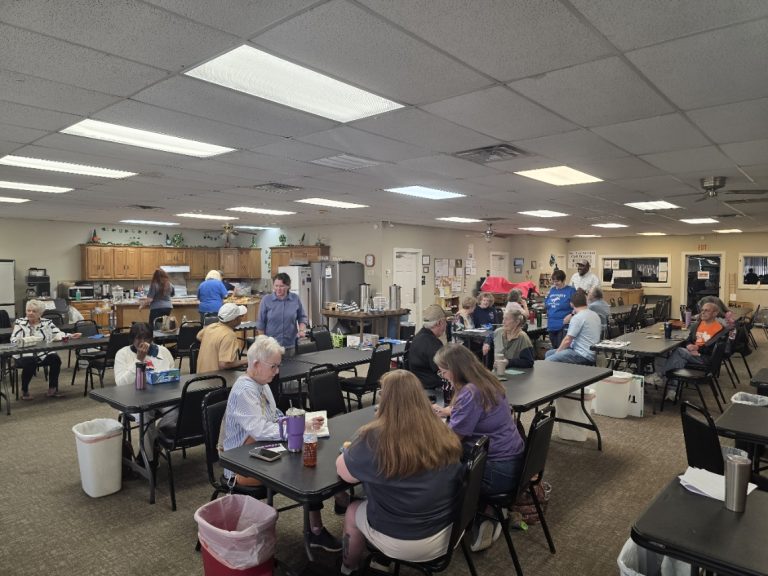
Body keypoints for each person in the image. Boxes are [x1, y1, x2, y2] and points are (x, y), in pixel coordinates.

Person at [336, 370, 464, 574]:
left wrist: (349, 450)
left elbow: (345, 474)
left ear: (384, 400)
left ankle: (348, 568)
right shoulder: (441, 430)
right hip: (448, 532)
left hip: (404, 541)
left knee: (352, 510)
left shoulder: (375, 437)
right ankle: (379, 559)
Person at [223, 335, 341, 552]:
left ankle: (317, 527)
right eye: (273, 366)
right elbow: (260, 429)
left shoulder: (261, 384)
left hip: (259, 449)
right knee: (304, 470)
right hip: (240, 464)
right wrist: (297, 428)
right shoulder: (244, 390)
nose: (277, 371)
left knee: (307, 462)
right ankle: (316, 529)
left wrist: (301, 420)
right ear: (256, 364)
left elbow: (274, 416)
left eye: (278, 366)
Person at [432, 344, 525, 552]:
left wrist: (425, 432)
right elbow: (478, 412)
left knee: (436, 469)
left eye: (443, 371)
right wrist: (449, 411)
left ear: (455, 370)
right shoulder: (486, 381)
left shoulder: (470, 393)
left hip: (496, 472)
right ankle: (489, 511)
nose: (442, 376)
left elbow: (452, 439)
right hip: (513, 461)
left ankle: (447, 525)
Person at [11, 299, 82, 399]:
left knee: (55, 359)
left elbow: (57, 333)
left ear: (40, 313)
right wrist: (25, 341)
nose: (30, 313)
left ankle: (52, 389)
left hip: (42, 353)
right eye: (28, 310)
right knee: (30, 361)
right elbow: (13, 339)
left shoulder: (47, 323)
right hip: (24, 354)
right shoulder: (20, 323)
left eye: (34, 311)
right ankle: (25, 390)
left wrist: (70, 335)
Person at [648, 301, 725, 384]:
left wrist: (698, 350)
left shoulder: (719, 329)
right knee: (679, 358)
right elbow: (688, 339)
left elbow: (715, 348)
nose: (703, 312)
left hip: (704, 357)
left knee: (679, 351)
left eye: (707, 310)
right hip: (692, 353)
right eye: (702, 310)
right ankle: (672, 387)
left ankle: (659, 375)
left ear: (715, 313)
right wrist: (689, 345)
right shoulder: (697, 325)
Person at [256, 272, 308, 352]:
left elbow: (302, 317)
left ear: (288, 286)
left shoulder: (295, 298)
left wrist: (301, 330)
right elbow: (261, 323)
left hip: (290, 344)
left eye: (282, 286)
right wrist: (263, 343)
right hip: (271, 346)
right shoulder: (266, 300)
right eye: (276, 286)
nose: (278, 289)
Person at [545, 291, 601, 365]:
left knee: (548, 360)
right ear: (586, 302)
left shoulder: (578, 317)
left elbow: (567, 340)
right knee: (549, 353)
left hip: (582, 355)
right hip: (591, 353)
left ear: (571, 304)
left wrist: (557, 353)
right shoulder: (594, 314)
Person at [114, 322, 175, 387]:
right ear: (133, 339)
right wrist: (139, 360)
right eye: (139, 338)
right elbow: (120, 384)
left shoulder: (163, 351)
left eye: (146, 338)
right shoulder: (122, 354)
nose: (142, 342)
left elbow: (173, 377)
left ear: (151, 339)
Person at [196, 303, 248, 372]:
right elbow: (224, 364)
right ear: (234, 319)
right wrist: (245, 361)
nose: (241, 318)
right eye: (240, 316)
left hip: (201, 375)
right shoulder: (229, 335)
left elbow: (198, 336)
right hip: (216, 377)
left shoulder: (211, 327)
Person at [409, 304, 447, 392]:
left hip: (418, 384)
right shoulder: (433, 343)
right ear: (439, 323)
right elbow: (443, 369)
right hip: (432, 387)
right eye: (445, 321)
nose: (446, 325)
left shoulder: (418, 336)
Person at [545, 269, 576, 349]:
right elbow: (547, 304)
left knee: (561, 349)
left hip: (563, 325)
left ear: (564, 280)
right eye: (554, 281)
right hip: (551, 324)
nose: (555, 283)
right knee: (554, 348)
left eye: (557, 281)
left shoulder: (571, 290)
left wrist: (571, 315)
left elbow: (578, 307)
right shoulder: (552, 290)